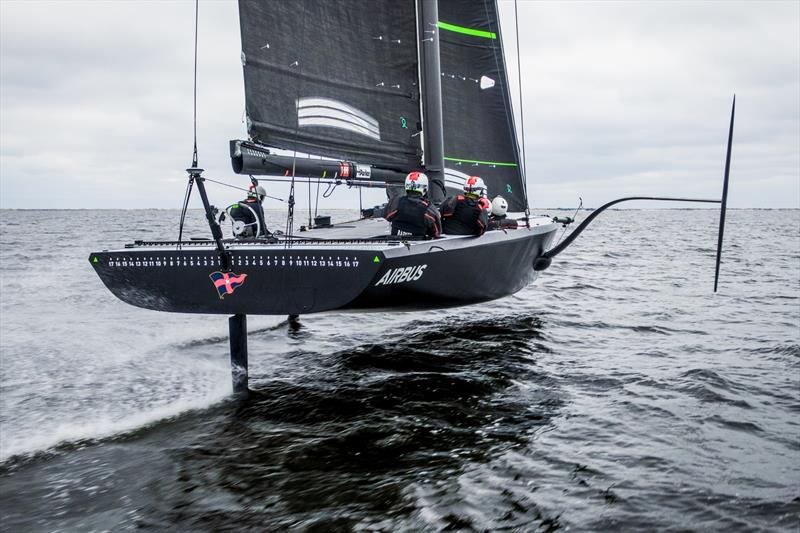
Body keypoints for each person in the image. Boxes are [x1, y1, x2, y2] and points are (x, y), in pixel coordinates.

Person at [383, 171, 442, 238]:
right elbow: (437, 233)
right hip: (419, 245)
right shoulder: (429, 209)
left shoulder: (396, 202)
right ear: (425, 188)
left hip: (396, 241)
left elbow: (386, 216)